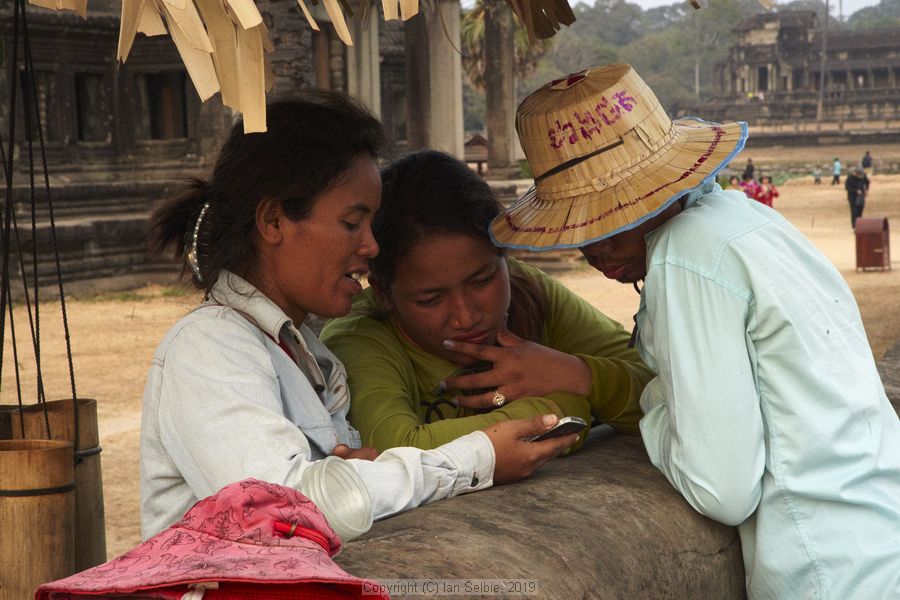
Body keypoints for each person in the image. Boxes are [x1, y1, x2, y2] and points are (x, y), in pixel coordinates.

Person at [490, 64, 900, 600]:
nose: (594, 249)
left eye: (612, 220)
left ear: (662, 194)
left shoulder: (685, 257)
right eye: (582, 228)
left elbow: (722, 489)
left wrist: (658, 405)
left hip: (826, 568)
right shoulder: (749, 220)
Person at [140, 92, 577, 540]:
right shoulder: (209, 346)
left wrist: (355, 478)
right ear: (273, 221)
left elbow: (340, 491)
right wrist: (477, 459)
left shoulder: (308, 353)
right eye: (352, 223)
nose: (371, 246)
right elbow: (285, 508)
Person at [321, 150, 653, 452]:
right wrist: (563, 405)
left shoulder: (529, 289)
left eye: (482, 281)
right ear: (383, 293)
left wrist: (579, 375)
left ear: (504, 258)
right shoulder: (359, 336)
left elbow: (662, 391)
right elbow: (395, 448)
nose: (466, 317)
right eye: (430, 298)